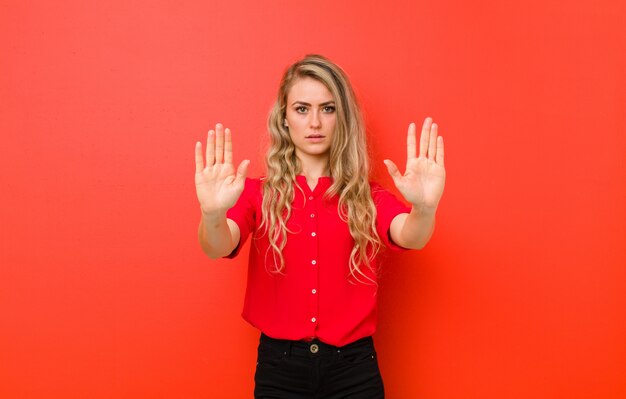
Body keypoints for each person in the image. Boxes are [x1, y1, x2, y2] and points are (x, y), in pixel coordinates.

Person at [194, 54, 445, 398]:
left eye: (327, 109)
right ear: (284, 118)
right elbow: (218, 245)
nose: (314, 122)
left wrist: (424, 207)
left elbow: (410, 235)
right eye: (301, 109)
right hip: (279, 370)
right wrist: (212, 215)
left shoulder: (367, 196)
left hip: (354, 370)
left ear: (342, 118)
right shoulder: (256, 193)